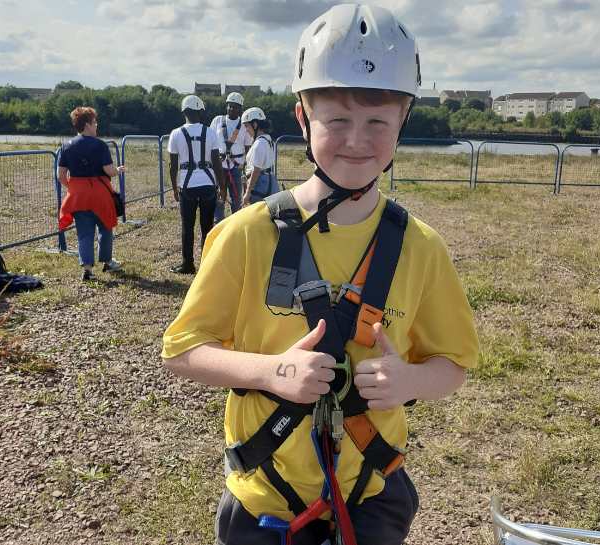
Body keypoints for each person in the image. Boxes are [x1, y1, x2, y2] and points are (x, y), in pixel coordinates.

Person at [162, 5, 478, 545]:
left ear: (403, 121)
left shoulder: (421, 249)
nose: (357, 140)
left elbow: (454, 364)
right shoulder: (245, 236)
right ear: (304, 120)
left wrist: (410, 381)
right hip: (265, 496)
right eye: (337, 120)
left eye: (378, 121)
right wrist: (269, 372)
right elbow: (183, 350)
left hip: (371, 494)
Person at [58, 106, 124, 281]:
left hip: (78, 195)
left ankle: (87, 269)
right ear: (87, 124)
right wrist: (118, 170)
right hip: (100, 194)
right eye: (95, 123)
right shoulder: (100, 145)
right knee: (106, 226)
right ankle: (107, 262)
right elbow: (108, 171)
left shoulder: (66, 146)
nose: (97, 126)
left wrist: (72, 188)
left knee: (84, 233)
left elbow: (61, 175)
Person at [167, 95, 225, 274]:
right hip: (208, 184)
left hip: (187, 185)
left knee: (187, 226)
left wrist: (175, 188)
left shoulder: (175, 134)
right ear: (200, 111)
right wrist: (222, 188)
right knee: (207, 226)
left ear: (184, 112)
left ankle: (188, 263)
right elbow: (216, 164)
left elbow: (173, 165)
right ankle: (207, 264)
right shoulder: (210, 132)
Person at [210, 92, 253, 222]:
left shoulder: (244, 125)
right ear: (226, 106)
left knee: (236, 199)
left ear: (240, 109)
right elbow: (210, 141)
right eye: (230, 106)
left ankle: (236, 223)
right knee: (219, 196)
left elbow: (248, 148)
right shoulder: (217, 120)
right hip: (219, 165)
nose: (232, 109)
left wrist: (246, 166)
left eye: (235, 107)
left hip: (236, 166)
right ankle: (218, 222)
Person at [240, 106, 280, 205]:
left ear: (255, 124)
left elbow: (256, 170)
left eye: (246, 126)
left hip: (260, 186)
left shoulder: (259, 143)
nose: (246, 130)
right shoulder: (268, 139)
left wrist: (248, 192)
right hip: (270, 182)